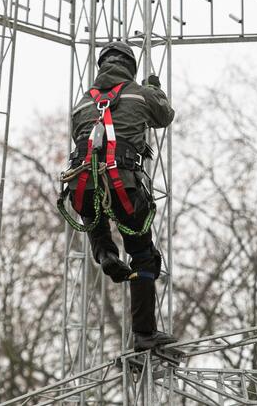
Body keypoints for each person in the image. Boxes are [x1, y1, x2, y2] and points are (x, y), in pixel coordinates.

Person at [67, 41, 176, 351]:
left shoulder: (80, 105)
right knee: (143, 254)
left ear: (101, 67)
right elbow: (164, 115)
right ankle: (144, 334)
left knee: (93, 212)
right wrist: (154, 89)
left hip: (82, 184)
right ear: (130, 66)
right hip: (124, 183)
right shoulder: (138, 93)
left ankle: (104, 254)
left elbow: (81, 138)